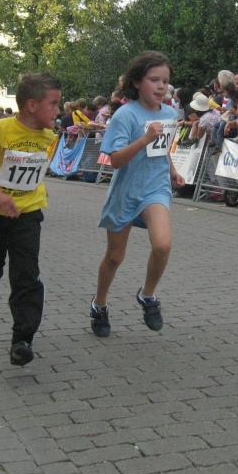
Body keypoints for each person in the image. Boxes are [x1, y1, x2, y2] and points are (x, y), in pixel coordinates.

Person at [0, 73, 61, 366]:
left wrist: (24, 194)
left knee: (26, 274)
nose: (58, 110)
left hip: (27, 213)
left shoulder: (49, 136)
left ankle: (23, 339)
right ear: (32, 105)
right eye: (53, 104)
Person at [90, 51, 185, 339]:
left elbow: (162, 149)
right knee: (115, 257)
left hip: (156, 188)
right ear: (136, 82)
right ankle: (99, 304)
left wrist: (172, 171)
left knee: (163, 244)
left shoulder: (169, 114)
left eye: (165, 81)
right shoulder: (125, 115)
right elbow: (115, 160)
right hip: (126, 191)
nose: (161, 86)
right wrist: (144, 138)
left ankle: (148, 295)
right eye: (154, 80)